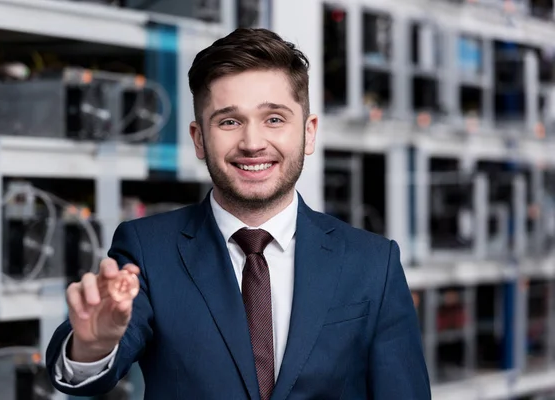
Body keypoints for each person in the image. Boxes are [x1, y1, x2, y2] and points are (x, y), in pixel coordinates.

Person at [45, 28, 431, 399]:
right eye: (229, 121)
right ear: (199, 139)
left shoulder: (372, 264)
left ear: (309, 132)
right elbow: (91, 369)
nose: (252, 143)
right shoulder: (148, 250)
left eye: (274, 119)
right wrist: (92, 345)